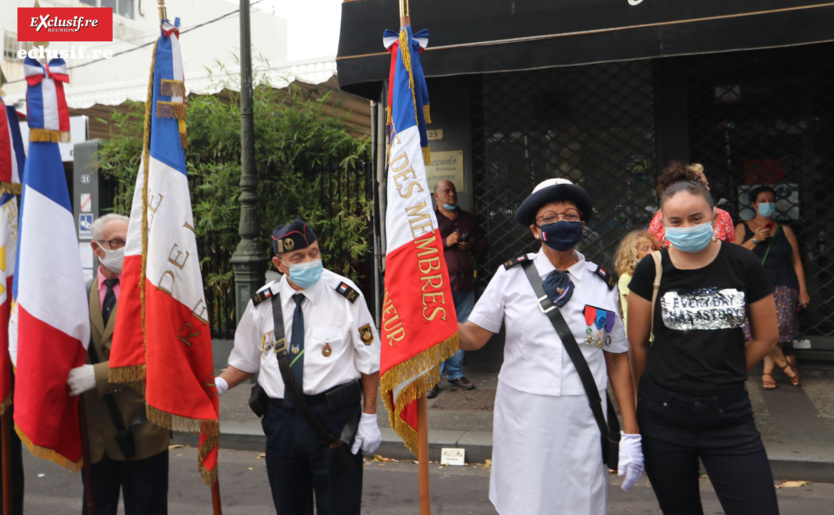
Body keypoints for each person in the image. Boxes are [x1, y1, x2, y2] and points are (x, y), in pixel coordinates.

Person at [458, 178, 643, 514]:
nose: (562, 222)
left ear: (582, 225)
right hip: (525, 419)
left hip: (583, 418)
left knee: (580, 502)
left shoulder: (601, 285)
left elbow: (616, 359)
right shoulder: (511, 277)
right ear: (534, 229)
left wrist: (631, 433)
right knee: (526, 502)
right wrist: (433, 323)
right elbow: (473, 337)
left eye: (570, 215)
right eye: (550, 217)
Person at [627, 162, 779, 515]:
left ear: (714, 215)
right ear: (662, 223)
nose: (686, 227)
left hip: (729, 415)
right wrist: (643, 397)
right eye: (676, 221)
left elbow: (766, 335)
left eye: (696, 218)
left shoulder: (743, 263)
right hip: (663, 415)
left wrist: (729, 369)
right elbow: (636, 343)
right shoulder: (652, 268)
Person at [214, 220, 382, 515]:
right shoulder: (263, 304)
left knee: (340, 508)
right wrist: (219, 385)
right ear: (280, 264)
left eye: (313, 253)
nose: (309, 262)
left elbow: (369, 360)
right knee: (289, 507)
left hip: (333, 422)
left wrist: (369, 416)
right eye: (298, 258)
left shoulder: (345, 296)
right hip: (281, 424)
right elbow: (245, 361)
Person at [66, 213, 170, 515]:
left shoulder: (152, 294)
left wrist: (97, 374)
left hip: (143, 429)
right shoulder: (79, 294)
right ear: (97, 248)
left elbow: (162, 358)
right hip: (95, 434)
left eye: (130, 242)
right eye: (117, 242)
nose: (125, 249)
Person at [736, 185, 808, 389]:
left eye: (770, 201)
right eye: (763, 201)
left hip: (783, 284)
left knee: (778, 329)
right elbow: (734, 255)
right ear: (753, 204)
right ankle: (785, 364)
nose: (768, 205)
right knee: (753, 331)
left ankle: (768, 372)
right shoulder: (743, 227)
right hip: (752, 286)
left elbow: (796, 261)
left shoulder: (785, 230)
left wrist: (803, 290)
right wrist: (755, 239)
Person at [429, 179, 489, 398]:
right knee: (436, 330)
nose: (452, 194)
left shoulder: (468, 219)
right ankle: (432, 378)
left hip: (465, 284)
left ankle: (455, 373)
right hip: (437, 286)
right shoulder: (429, 220)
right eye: (446, 191)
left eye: (453, 191)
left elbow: (484, 245)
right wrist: (444, 242)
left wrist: (472, 245)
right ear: (437, 196)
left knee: (461, 329)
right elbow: (418, 249)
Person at [648, 163, 735, 246]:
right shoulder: (660, 218)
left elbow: (731, 247)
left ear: (714, 218)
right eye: (676, 222)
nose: (708, 188)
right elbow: (651, 245)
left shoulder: (723, 216)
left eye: (696, 219)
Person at [614, 230, 661, 327]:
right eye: (645, 249)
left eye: (653, 248)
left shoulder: (658, 273)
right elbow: (638, 308)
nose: (651, 252)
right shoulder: (626, 278)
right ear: (632, 254)